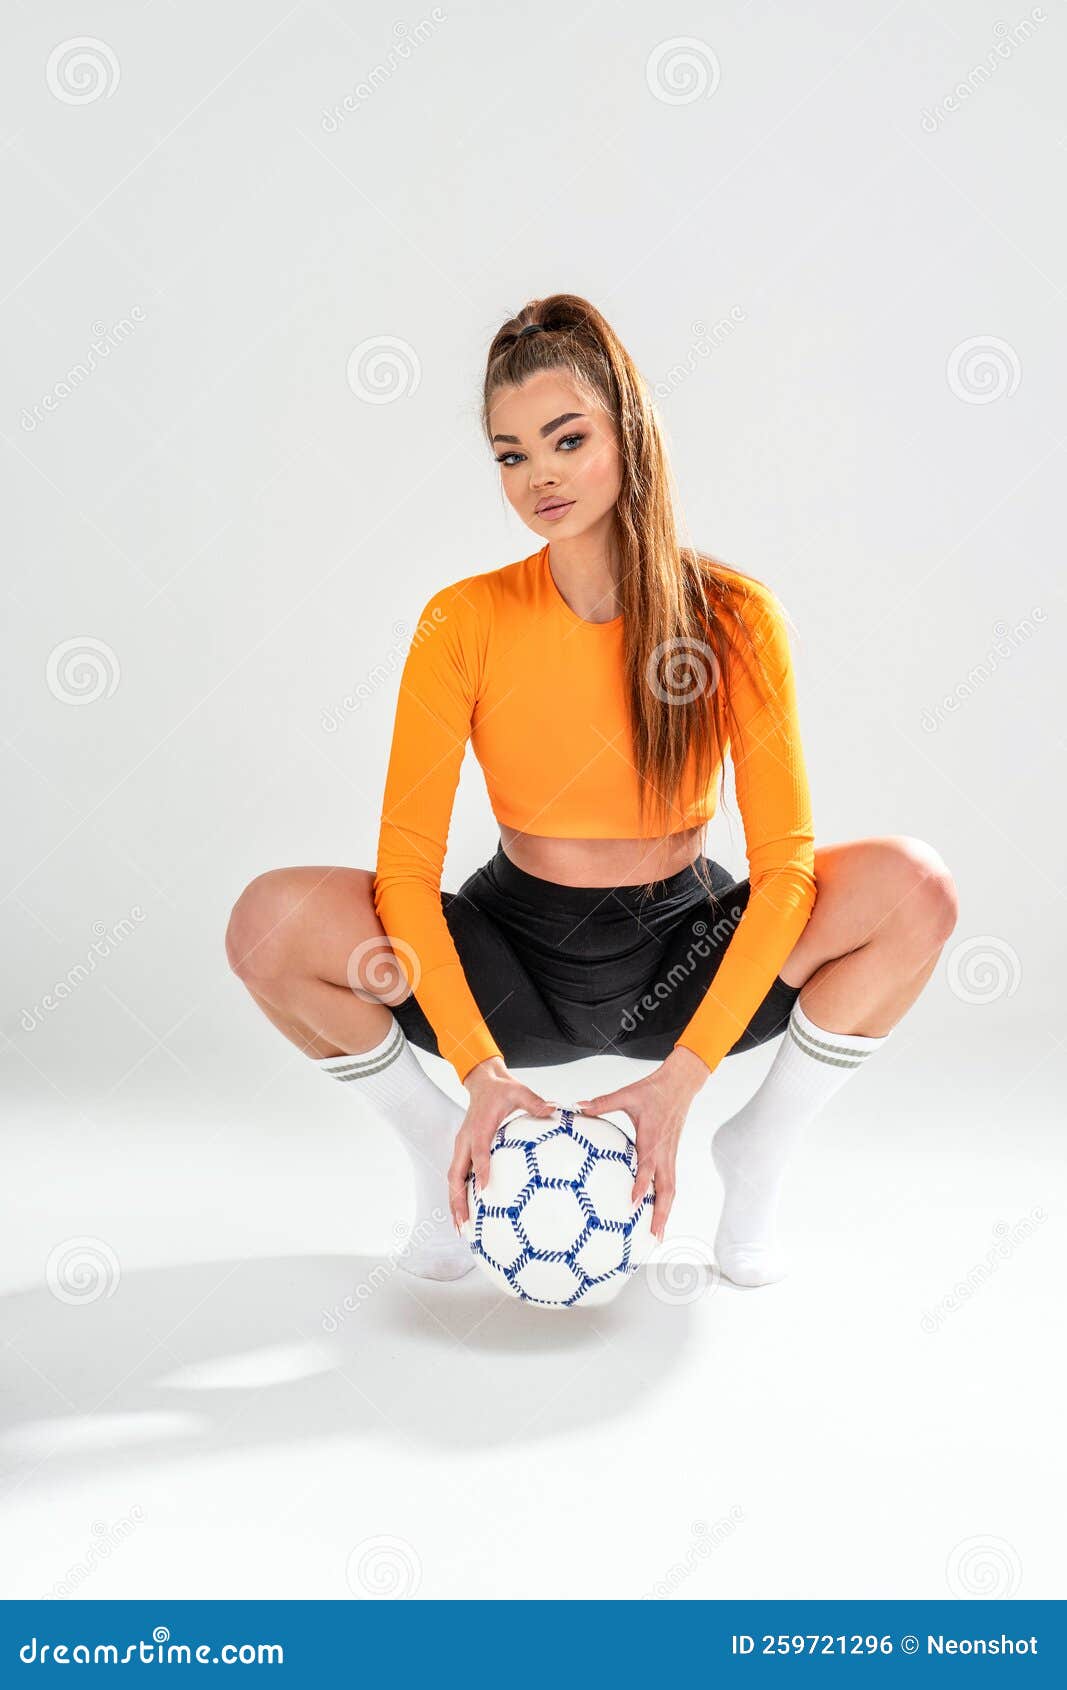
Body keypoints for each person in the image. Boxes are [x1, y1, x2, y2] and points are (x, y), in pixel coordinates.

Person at [225, 294, 958, 1289]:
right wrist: (480, 1074)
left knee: (911, 887)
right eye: (510, 453)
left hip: (685, 950)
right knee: (268, 918)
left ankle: (759, 1152)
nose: (539, 476)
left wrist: (683, 1078)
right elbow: (404, 872)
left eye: (565, 438)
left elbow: (786, 869)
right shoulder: (462, 620)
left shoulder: (734, 616)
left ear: (627, 430)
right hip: (509, 966)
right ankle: (440, 1143)